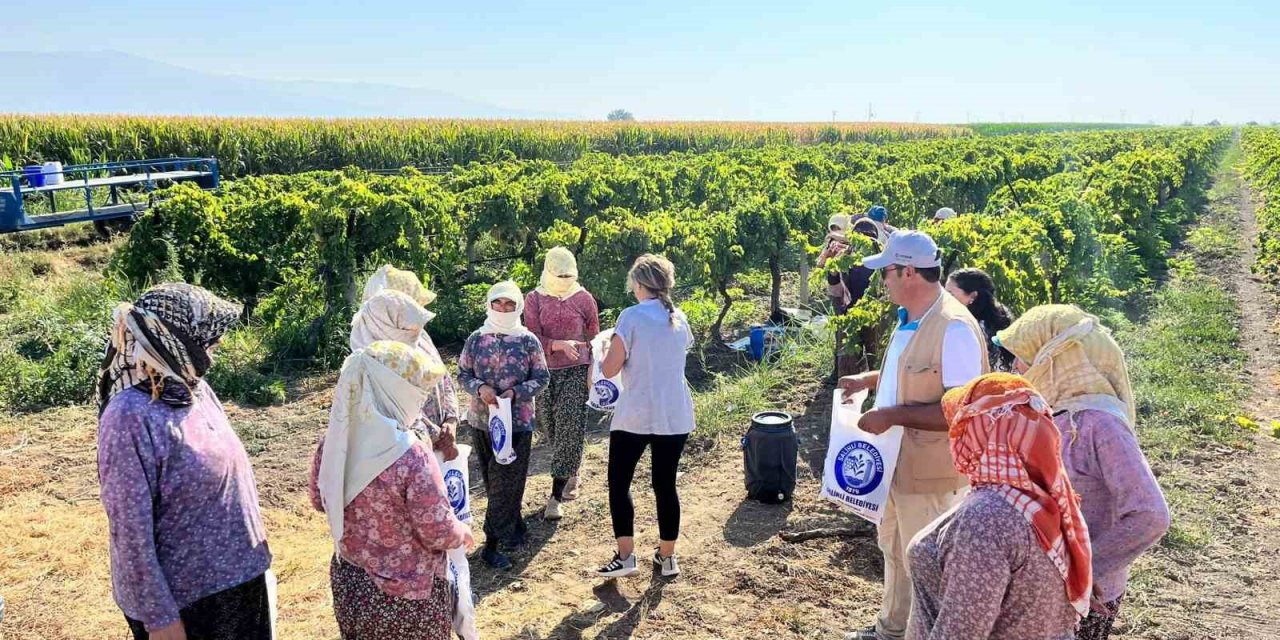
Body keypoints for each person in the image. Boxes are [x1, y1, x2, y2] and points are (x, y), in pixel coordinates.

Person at [96, 283, 273, 640]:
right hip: (190, 603)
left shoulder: (196, 389)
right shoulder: (129, 416)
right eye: (207, 335)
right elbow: (129, 533)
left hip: (240, 583)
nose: (218, 342)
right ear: (174, 339)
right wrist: (160, 619)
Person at [837, 230, 989, 640]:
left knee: (925, 559)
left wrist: (891, 414)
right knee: (894, 547)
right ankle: (892, 628)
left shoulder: (952, 327)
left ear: (908, 272)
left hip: (929, 471)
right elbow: (913, 375)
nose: (881, 281)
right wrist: (868, 381)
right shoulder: (911, 318)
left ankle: (924, 633)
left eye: (886, 271)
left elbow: (962, 408)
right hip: (896, 463)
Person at [996, 305, 1170, 640]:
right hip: (1044, 588)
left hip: (1080, 598)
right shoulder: (1053, 413)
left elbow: (1151, 515)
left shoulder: (1098, 425)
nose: (1016, 368)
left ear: (1054, 360)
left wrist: (1081, 574)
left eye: (1023, 358)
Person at [908, 372, 1092, 639]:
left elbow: (961, 632)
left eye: (962, 427)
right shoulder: (1041, 505)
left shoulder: (985, 519)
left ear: (981, 435)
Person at [311, 340, 474, 640]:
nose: (420, 397)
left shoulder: (334, 442)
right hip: (408, 597)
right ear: (393, 390)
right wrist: (462, 533)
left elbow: (320, 500)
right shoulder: (411, 455)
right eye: (415, 389)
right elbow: (436, 530)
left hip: (353, 585)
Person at [594, 254, 696, 579]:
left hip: (635, 414)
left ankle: (626, 557)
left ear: (638, 284)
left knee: (620, 481)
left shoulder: (631, 317)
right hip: (674, 414)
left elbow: (610, 369)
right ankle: (667, 559)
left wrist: (602, 352)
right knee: (665, 485)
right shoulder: (678, 317)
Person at [457, 280, 550, 569]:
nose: (503, 308)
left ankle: (492, 544)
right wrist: (480, 388)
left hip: (517, 422)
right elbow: (462, 373)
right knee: (493, 480)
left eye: (510, 303)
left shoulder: (527, 340)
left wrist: (516, 393)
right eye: (498, 302)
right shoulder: (477, 339)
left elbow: (542, 378)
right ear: (489, 304)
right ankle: (513, 526)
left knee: (506, 480)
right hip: (482, 422)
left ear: (518, 306)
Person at [524, 247, 601, 520]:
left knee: (569, 424)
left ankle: (555, 496)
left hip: (576, 371)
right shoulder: (534, 299)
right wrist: (556, 344)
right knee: (551, 428)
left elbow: (595, 338)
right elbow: (531, 337)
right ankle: (572, 467)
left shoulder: (583, 299)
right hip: (545, 372)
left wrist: (592, 368)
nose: (564, 280)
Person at [360, 265, 461, 461]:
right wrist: (435, 436)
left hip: (439, 444)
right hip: (408, 455)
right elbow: (392, 412)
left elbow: (444, 379)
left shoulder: (419, 335)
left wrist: (451, 421)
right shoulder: (371, 356)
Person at [944, 268, 1017, 371]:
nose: (945, 299)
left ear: (973, 296)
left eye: (951, 294)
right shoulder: (999, 324)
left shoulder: (966, 329)